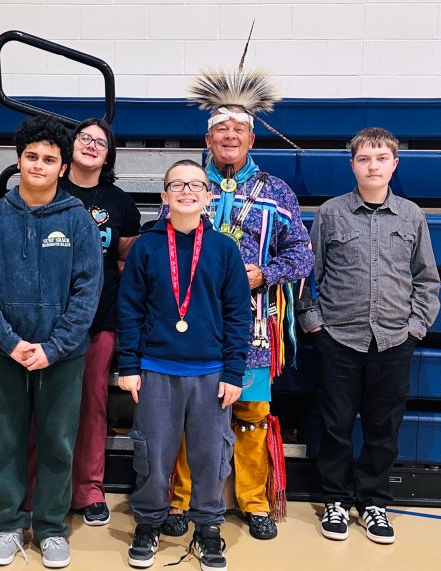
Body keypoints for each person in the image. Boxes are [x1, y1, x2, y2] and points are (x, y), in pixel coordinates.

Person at [161, 69, 314, 541]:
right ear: (207, 138)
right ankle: (180, 501)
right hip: (193, 321)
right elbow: (161, 242)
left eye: (239, 129)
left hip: (253, 325)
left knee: (250, 415)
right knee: (194, 414)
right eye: (221, 129)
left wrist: (263, 273)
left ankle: (254, 501)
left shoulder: (276, 192)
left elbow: (303, 253)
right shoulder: (186, 185)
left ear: (251, 138)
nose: (230, 135)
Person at [0, 115, 103, 568]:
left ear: (63, 168)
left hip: (61, 357)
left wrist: (53, 347)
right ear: (18, 161)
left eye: (49, 159)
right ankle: (7, 524)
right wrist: (10, 342)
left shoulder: (78, 222)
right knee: (4, 443)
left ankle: (51, 528)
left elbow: (86, 293)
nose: (38, 166)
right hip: (4, 353)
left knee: (59, 442)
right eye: (31, 157)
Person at [297, 127, 440, 545]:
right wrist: (314, 325)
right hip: (338, 338)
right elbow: (308, 276)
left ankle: (374, 500)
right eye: (364, 158)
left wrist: (415, 328)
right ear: (352, 165)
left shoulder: (413, 215)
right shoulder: (330, 214)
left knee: (383, 426)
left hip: (394, 340)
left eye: (381, 158)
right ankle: (336, 500)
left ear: (394, 164)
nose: (373, 165)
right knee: (335, 424)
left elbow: (426, 279)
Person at [119, 159, 251, 570]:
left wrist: (233, 371)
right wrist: (128, 365)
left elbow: (238, 315)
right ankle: (149, 522)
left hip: (211, 372)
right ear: (164, 197)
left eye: (196, 184)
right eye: (177, 185)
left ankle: (209, 528)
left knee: (210, 458)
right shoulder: (146, 246)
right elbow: (129, 310)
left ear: (208, 196)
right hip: (157, 369)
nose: (187, 191)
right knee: (154, 455)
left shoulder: (224, 248)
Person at [60, 118, 141, 525]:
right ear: (71, 145)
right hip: (47, 323)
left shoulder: (119, 203)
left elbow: (125, 259)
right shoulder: (49, 189)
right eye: (84, 138)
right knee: (45, 407)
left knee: (92, 404)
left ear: (108, 155)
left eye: (101, 142)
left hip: (99, 320)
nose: (91, 146)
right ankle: (37, 486)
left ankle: (89, 489)